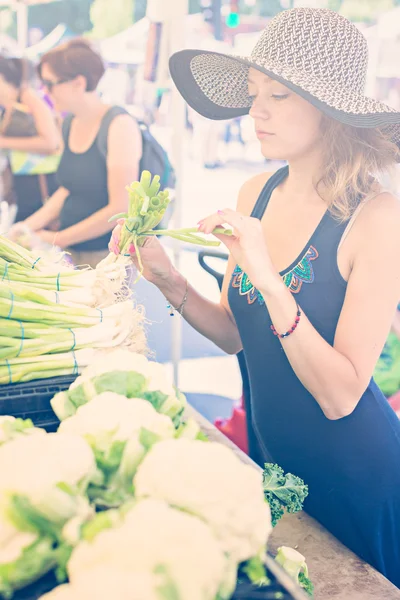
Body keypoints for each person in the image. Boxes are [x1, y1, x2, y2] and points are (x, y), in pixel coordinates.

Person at [115, 8, 400, 587]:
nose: (256, 110)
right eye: (252, 93)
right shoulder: (257, 191)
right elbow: (234, 335)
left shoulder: (377, 218)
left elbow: (342, 396)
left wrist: (269, 279)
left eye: (279, 95)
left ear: (330, 110)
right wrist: (167, 279)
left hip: (355, 471)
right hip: (272, 455)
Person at [10, 39, 142, 268]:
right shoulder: (69, 121)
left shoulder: (119, 125)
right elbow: (69, 187)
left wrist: (57, 238)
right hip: (71, 252)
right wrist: (26, 227)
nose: (45, 92)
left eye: (50, 84)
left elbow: (120, 207)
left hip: (108, 257)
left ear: (78, 83)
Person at [0, 55, 60, 220]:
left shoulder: (29, 97)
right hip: (21, 182)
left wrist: (3, 142)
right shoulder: (9, 103)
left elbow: (51, 142)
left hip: (40, 182)